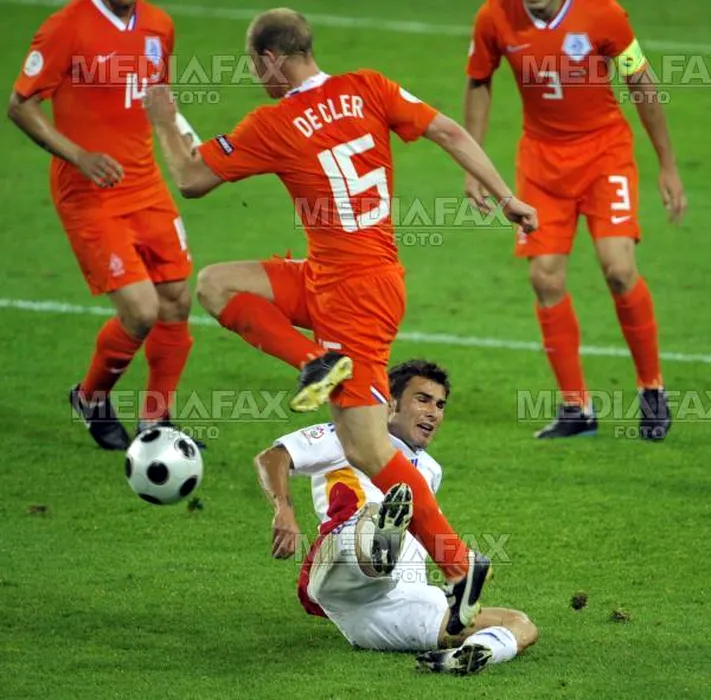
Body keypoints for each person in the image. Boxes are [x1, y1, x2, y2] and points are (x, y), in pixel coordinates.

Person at [143, 7, 538, 633]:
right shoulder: (368, 87)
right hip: (342, 276)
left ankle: (461, 566)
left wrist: (167, 121)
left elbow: (191, 178)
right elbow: (449, 132)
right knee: (217, 284)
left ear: (272, 59)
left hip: (352, 298)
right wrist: (506, 194)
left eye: (255, 66)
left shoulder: (274, 122)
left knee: (368, 448)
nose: (256, 78)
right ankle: (315, 361)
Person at [464, 0, 687, 440]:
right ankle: (576, 408)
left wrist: (668, 164)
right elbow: (478, 79)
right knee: (544, 279)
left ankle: (652, 389)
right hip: (541, 164)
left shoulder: (604, 13)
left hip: (605, 155)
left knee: (619, 269)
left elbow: (639, 80)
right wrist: (473, 164)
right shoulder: (495, 16)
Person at [253, 360, 538, 675]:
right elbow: (273, 458)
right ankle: (380, 542)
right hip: (342, 569)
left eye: (440, 405)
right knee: (372, 522)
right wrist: (284, 511)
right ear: (389, 403)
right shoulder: (349, 437)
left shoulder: (430, 469)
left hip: (394, 606)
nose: (433, 413)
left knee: (520, 624)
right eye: (423, 400)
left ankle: (471, 654)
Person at [8, 0, 197, 450]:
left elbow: (157, 94)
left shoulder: (158, 25)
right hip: (88, 191)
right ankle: (91, 398)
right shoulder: (66, 27)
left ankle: (156, 422)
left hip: (145, 183)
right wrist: (80, 156)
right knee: (141, 311)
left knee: (176, 299)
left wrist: (186, 137)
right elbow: (20, 105)